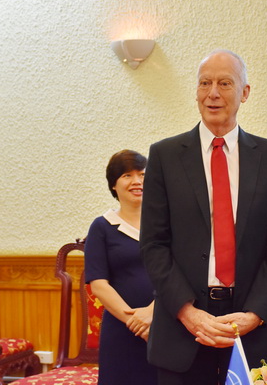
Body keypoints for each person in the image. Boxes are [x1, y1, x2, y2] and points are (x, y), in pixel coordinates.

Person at [140, 49, 267, 384]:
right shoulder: (165, 156)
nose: (212, 93)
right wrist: (187, 312)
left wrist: (255, 313)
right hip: (183, 329)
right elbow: (153, 244)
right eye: (204, 83)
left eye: (225, 83)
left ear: (245, 92)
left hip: (255, 329)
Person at [84, 150, 157, 385]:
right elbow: (99, 284)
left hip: (165, 324)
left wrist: (152, 312)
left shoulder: (165, 223)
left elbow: (181, 273)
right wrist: (135, 322)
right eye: (127, 175)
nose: (137, 181)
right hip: (121, 331)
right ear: (113, 185)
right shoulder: (102, 227)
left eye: (142, 175)